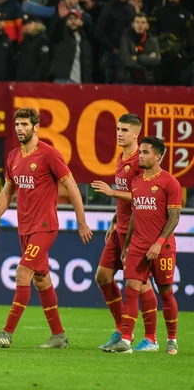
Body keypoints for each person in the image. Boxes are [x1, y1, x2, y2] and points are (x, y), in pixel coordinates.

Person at [0, 107, 93, 349]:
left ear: (35, 127)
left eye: (25, 124)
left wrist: (81, 221)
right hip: (25, 227)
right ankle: (59, 336)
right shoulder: (13, 156)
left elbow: (72, 187)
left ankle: (7, 333)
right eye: (17, 124)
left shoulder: (49, 155)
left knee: (23, 272)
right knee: (41, 280)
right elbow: (7, 192)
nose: (20, 129)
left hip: (45, 226)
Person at [103, 136, 182, 355]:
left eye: (145, 152)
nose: (141, 156)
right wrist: (127, 245)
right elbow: (134, 215)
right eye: (140, 152)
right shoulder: (136, 182)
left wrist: (159, 243)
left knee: (166, 291)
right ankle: (126, 340)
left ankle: (172, 340)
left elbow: (174, 217)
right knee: (131, 288)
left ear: (158, 156)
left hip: (162, 247)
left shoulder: (170, 183)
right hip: (137, 245)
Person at [90, 114, 159, 352]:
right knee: (102, 276)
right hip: (120, 227)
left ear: (136, 134)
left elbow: (144, 196)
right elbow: (125, 196)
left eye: (125, 130)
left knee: (141, 284)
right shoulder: (121, 157)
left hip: (138, 230)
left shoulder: (142, 161)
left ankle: (150, 338)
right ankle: (121, 328)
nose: (120, 133)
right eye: (118, 129)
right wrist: (114, 219)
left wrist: (111, 193)